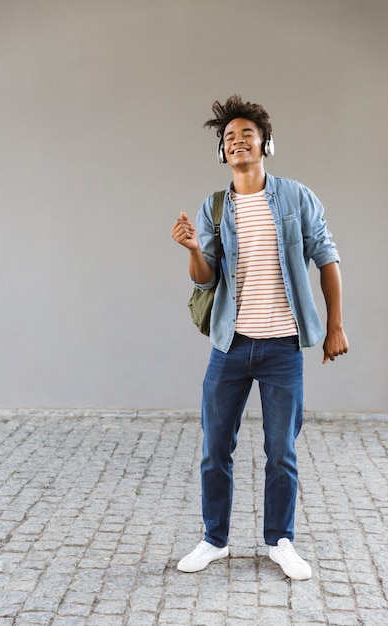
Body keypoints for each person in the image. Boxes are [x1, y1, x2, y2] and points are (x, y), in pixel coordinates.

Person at [171, 95, 349, 580]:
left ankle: (281, 541)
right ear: (221, 152)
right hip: (229, 346)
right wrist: (192, 248)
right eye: (229, 137)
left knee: (282, 451)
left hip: (282, 348)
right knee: (214, 448)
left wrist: (334, 326)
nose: (237, 141)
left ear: (266, 142)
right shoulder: (215, 206)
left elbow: (327, 258)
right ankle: (213, 540)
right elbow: (205, 279)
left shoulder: (296, 197)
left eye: (247, 134)